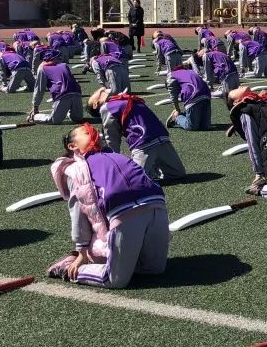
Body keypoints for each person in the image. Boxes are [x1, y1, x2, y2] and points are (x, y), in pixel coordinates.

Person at [49, 123, 169, 289]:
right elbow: (78, 213)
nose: (95, 133)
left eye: (97, 131)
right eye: (86, 132)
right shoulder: (76, 170)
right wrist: (82, 252)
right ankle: (68, 267)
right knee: (115, 279)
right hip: (125, 214)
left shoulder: (114, 155)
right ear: (73, 146)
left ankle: (114, 260)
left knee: (154, 269)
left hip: (156, 206)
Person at [87, 89, 186, 181]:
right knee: (135, 181)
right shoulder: (107, 108)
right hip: (143, 145)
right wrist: (114, 160)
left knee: (178, 173)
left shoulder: (121, 98)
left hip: (162, 139)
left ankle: (152, 170)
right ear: (95, 104)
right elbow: (112, 137)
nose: (99, 89)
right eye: (94, 94)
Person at [28, 54, 84, 125]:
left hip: (63, 93)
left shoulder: (42, 68)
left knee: (55, 120)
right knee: (78, 118)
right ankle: (64, 111)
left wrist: (35, 106)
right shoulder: (64, 65)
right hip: (76, 91)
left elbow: (39, 89)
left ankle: (34, 116)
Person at [165, 65, 212, 131]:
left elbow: (173, 96)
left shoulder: (170, 76)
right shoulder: (190, 71)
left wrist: (177, 109)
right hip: (206, 93)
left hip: (193, 94)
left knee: (192, 126)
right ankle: (182, 116)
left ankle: (176, 117)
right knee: (204, 126)